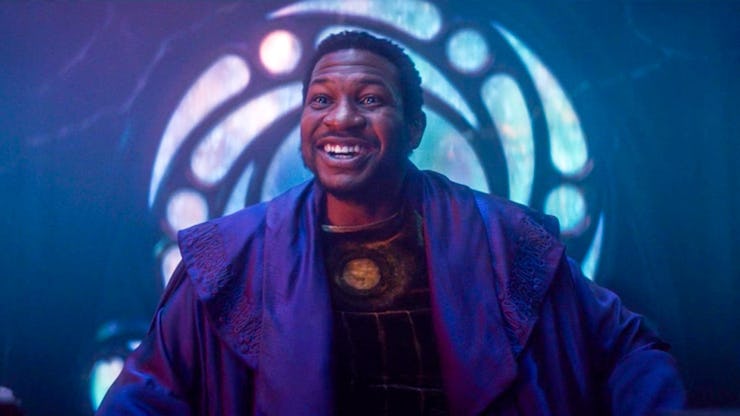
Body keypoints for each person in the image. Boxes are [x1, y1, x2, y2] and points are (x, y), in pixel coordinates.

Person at [98, 31, 685, 415]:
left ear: (414, 129)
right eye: (321, 100)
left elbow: (629, 349)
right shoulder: (234, 257)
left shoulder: (506, 242)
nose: (342, 119)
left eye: (370, 100)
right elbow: (146, 393)